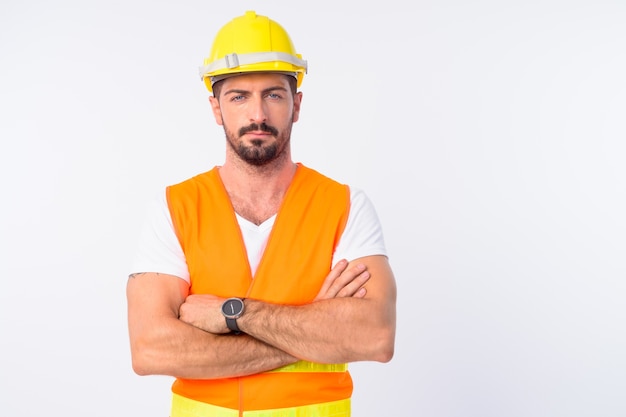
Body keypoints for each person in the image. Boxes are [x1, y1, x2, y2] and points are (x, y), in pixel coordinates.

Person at [126, 10, 397, 417]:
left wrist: (231, 314)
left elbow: (374, 336)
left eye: (273, 94)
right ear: (216, 108)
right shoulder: (176, 207)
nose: (258, 114)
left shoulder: (344, 206)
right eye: (239, 96)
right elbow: (150, 348)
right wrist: (312, 330)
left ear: (296, 105)